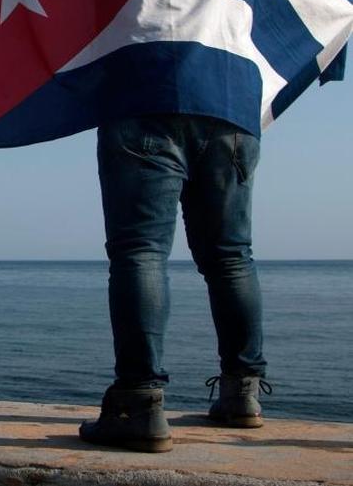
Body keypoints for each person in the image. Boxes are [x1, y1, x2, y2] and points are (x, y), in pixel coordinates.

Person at [78, 113, 271, 452]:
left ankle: (139, 402)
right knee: (231, 257)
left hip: (150, 99)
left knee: (141, 251)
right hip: (232, 107)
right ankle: (242, 393)